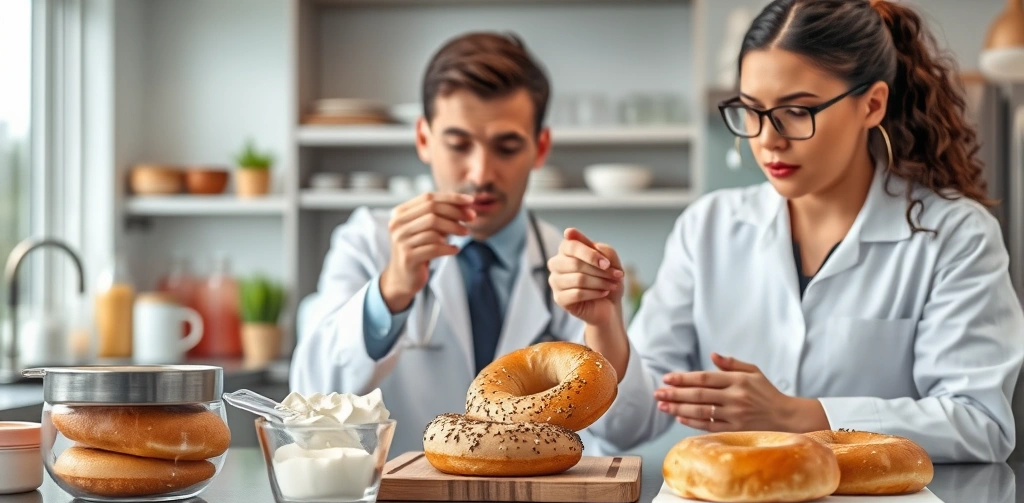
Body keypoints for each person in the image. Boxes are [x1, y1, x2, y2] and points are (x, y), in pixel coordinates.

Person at [548, 0, 1024, 462]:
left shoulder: (956, 235)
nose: (768, 138)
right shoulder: (708, 227)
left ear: (872, 105)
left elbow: (980, 423)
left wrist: (799, 416)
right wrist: (604, 323)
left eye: (797, 111)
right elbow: (625, 427)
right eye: (752, 110)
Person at [290, 33, 591, 456]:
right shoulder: (368, 242)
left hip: (528, 494)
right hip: (400, 495)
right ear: (423, 139)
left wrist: (607, 323)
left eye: (506, 147)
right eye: (458, 144)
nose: (481, 173)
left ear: (539, 148)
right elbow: (312, 395)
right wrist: (391, 290)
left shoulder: (567, 262)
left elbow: (618, 426)